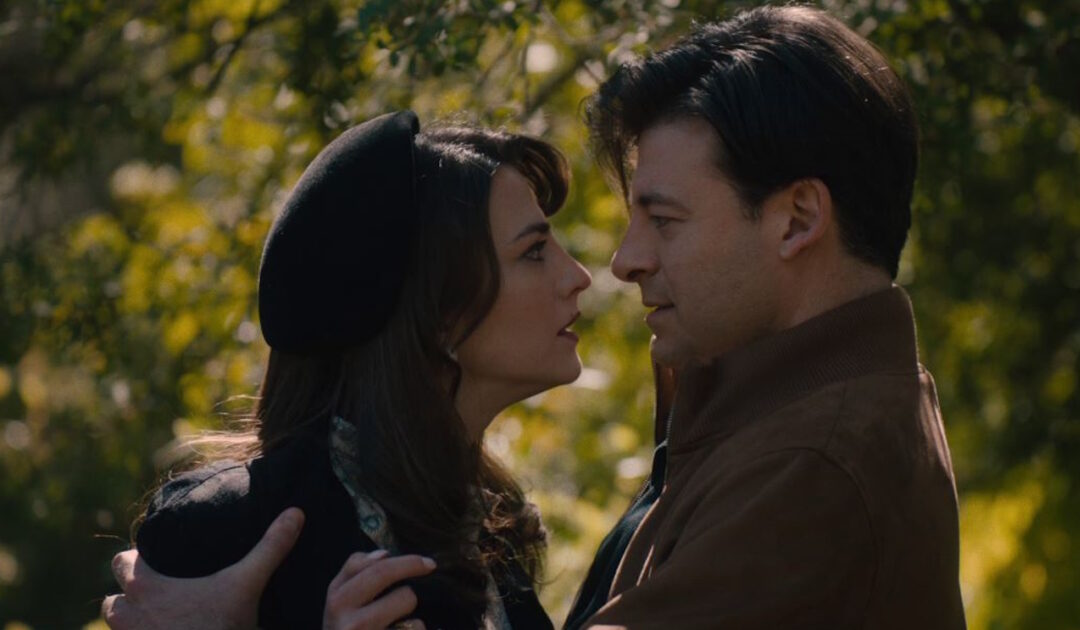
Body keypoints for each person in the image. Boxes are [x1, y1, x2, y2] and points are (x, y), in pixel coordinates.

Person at [104, 5, 966, 629]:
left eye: (664, 220)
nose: (616, 265)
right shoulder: (755, 408)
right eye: (532, 251)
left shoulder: (813, 460)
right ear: (436, 313)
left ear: (797, 220)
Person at [113, 111, 592, 629]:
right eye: (534, 252)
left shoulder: (488, 527)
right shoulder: (230, 531)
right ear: (437, 313)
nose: (579, 275)